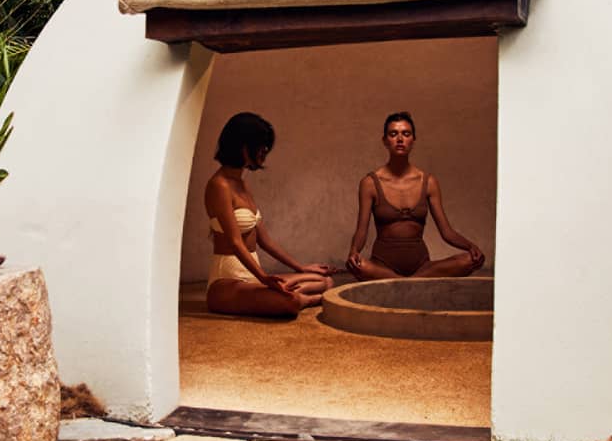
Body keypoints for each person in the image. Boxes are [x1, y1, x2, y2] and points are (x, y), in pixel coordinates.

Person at [204, 112, 334, 315]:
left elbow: (265, 241)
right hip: (227, 282)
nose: (265, 150)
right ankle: (305, 299)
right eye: (260, 145)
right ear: (242, 145)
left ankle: (297, 295)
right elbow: (234, 241)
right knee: (289, 304)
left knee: (324, 280)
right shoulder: (218, 185)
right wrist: (265, 278)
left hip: (253, 277)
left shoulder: (241, 183)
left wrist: (301, 267)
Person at [346, 111, 485, 280]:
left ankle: (401, 283)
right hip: (382, 266)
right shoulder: (370, 183)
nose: (399, 139)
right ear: (385, 141)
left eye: (406, 134)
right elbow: (362, 231)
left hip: (422, 266)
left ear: (413, 140)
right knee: (358, 265)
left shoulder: (428, 181)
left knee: (469, 260)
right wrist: (354, 251)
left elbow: (446, 231)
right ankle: (414, 283)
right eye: (393, 134)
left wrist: (471, 246)